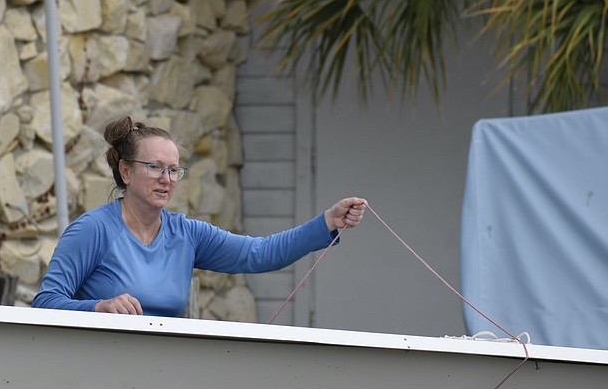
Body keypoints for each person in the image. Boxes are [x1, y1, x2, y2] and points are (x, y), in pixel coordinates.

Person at [33, 116, 367, 317]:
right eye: (155, 168)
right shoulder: (92, 229)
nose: (166, 179)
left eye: (174, 170)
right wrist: (98, 308)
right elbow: (46, 303)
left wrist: (326, 222)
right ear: (125, 171)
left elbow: (260, 253)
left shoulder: (187, 234)